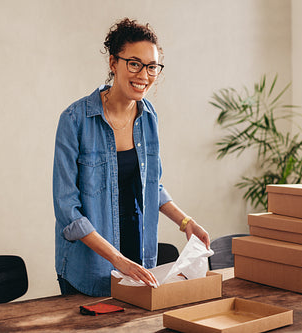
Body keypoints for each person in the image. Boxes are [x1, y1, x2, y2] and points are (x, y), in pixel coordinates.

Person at [53, 18, 210, 297]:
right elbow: (67, 209)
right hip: (90, 264)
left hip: (136, 255)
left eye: (152, 67)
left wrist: (187, 223)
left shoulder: (148, 117)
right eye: (134, 63)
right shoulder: (74, 120)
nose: (144, 75)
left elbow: (153, 185)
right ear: (114, 63)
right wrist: (116, 259)